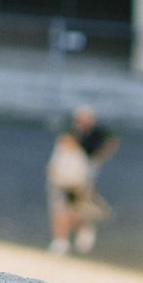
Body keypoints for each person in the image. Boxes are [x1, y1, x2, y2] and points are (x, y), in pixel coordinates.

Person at [47, 104, 119, 255]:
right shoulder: (69, 132)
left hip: (78, 180)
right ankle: (60, 241)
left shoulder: (94, 138)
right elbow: (59, 155)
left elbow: (111, 143)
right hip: (61, 177)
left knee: (73, 211)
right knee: (59, 210)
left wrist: (98, 157)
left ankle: (82, 229)